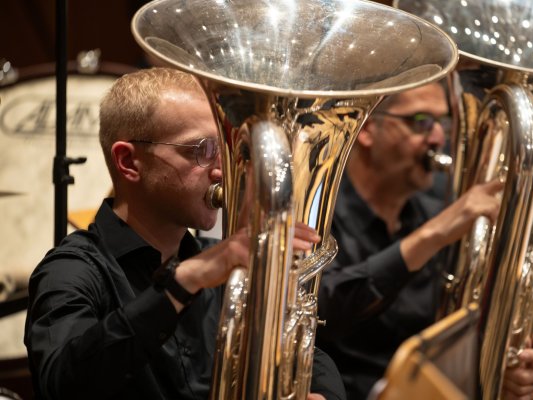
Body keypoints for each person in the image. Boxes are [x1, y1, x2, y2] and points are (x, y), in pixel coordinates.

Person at [24, 67, 346, 400]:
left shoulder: (222, 265)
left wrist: (323, 394)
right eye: (202, 150)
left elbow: (305, 354)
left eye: (223, 150)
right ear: (129, 162)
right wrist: (184, 281)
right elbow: (61, 383)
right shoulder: (71, 270)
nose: (221, 171)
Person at [315, 81, 533, 400]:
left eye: (442, 123)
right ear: (367, 129)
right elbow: (324, 313)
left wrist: (507, 368)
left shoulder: (436, 209)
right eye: (421, 121)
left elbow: (462, 331)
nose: (439, 138)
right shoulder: (321, 213)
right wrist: (432, 235)